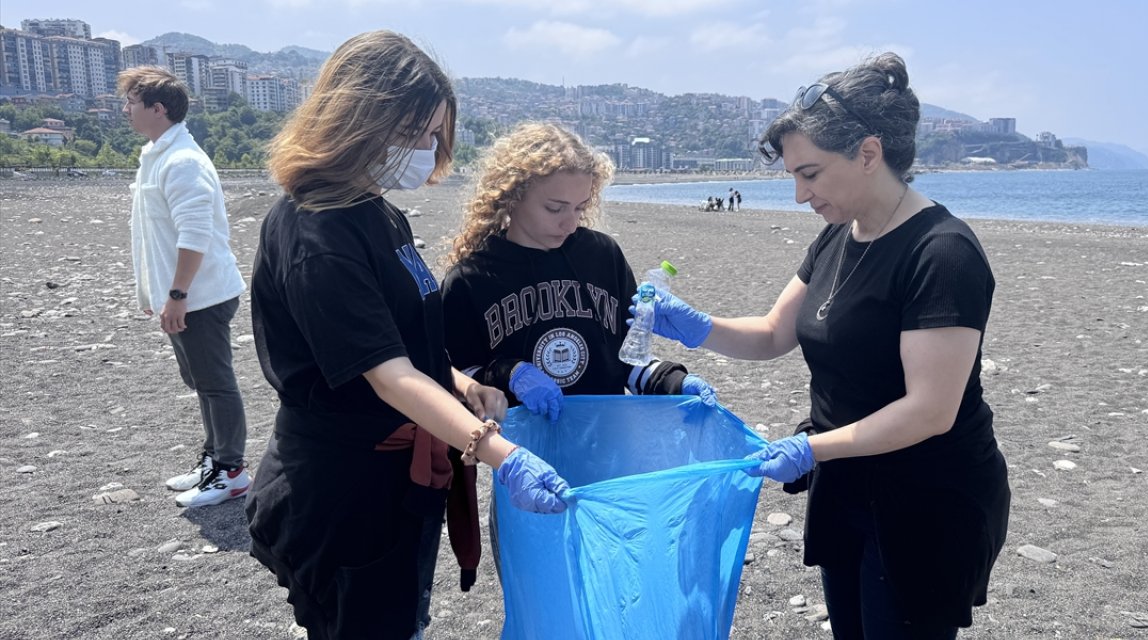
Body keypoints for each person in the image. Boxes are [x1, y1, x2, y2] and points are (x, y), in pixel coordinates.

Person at [638, 53, 1010, 639]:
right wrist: (693, 325)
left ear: (868, 154)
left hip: (925, 504)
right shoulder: (838, 234)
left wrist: (812, 450)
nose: (797, 194)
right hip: (846, 486)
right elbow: (774, 333)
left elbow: (931, 411)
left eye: (809, 174)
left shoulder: (942, 253)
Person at [245, 31, 569, 640]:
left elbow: (407, 343)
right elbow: (387, 374)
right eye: (412, 133)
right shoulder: (317, 231)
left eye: (432, 135)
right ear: (356, 120)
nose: (424, 150)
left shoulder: (376, 209)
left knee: (402, 619)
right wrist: (501, 453)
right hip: (344, 491)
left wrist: (460, 384)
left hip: (401, 485)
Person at [440, 122, 718, 579]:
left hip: (611, 456)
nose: (570, 222)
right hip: (526, 464)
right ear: (511, 196)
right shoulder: (472, 278)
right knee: (542, 581)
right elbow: (456, 373)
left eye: (580, 206)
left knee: (615, 578)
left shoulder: (602, 256)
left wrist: (673, 382)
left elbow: (626, 356)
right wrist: (510, 374)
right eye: (555, 208)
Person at [118, 66, 250, 509]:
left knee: (216, 382)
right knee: (201, 380)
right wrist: (156, 294)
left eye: (132, 103)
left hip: (202, 294)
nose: (126, 110)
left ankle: (231, 470)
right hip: (185, 293)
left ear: (159, 108)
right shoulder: (157, 154)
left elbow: (193, 235)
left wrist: (177, 296)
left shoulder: (182, 161)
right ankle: (214, 459)